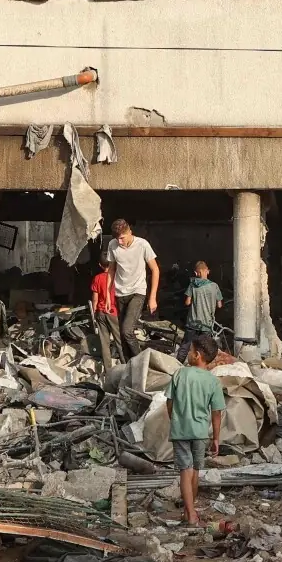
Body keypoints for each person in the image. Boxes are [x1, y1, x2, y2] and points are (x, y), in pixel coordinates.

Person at [167, 334, 225, 527]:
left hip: (181, 430)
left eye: (190, 351)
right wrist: (216, 438)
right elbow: (216, 412)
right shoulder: (213, 381)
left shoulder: (179, 374)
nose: (188, 354)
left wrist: (174, 419)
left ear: (197, 355)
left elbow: (169, 402)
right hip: (200, 432)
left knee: (185, 470)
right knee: (196, 471)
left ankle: (190, 514)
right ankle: (188, 511)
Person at [106, 220, 159, 356]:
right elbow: (111, 270)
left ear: (130, 232)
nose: (120, 242)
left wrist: (152, 298)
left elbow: (155, 269)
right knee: (122, 335)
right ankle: (128, 367)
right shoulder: (112, 245)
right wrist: (107, 295)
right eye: (117, 239)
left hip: (137, 291)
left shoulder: (142, 245)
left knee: (127, 330)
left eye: (122, 238)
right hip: (120, 293)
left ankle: (140, 360)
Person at [89, 258, 120, 363]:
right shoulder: (117, 278)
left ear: (100, 265)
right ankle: (126, 366)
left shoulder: (97, 278)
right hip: (114, 312)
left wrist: (94, 313)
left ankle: (108, 371)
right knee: (119, 341)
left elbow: (95, 299)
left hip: (101, 312)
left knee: (104, 343)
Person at [183, 261, 223, 333]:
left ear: (196, 273)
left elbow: (187, 302)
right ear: (208, 271)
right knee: (205, 344)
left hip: (192, 323)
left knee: (189, 344)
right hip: (207, 324)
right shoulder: (215, 286)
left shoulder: (192, 285)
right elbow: (219, 305)